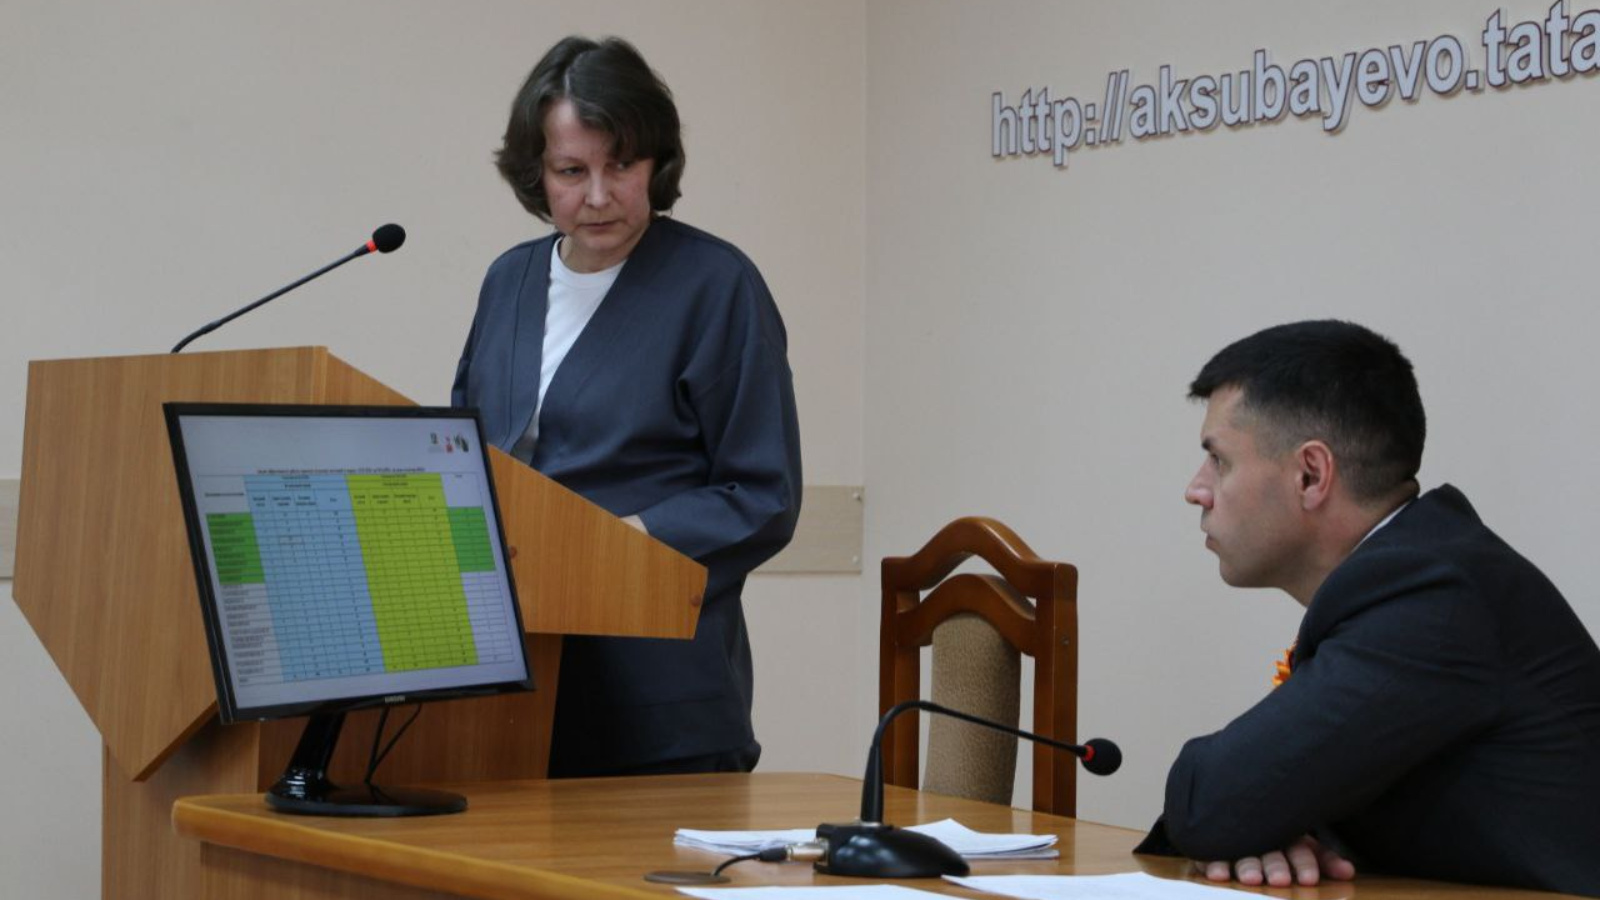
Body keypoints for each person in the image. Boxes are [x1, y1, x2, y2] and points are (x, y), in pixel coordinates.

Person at [1136, 320, 1600, 896]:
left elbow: (1211, 803)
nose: (1197, 490)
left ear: (1311, 474)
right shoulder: (1423, 572)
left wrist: (1245, 817)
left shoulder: (1431, 596)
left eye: (1219, 461)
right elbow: (1252, 798)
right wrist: (1270, 823)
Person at [452, 36, 802, 776]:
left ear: (657, 164)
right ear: (537, 173)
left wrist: (623, 542)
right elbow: (469, 456)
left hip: (659, 696)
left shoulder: (716, 286)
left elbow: (762, 495)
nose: (599, 195)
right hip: (516, 683)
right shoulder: (508, 283)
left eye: (622, 166)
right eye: (571, 171)